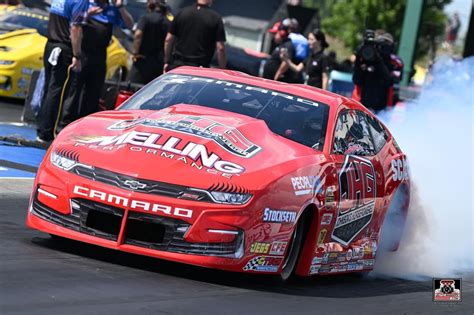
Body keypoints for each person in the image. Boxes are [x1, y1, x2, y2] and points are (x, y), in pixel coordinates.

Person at [58, 0, 133, 130]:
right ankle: (64, 124)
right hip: (83, 54)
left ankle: (85, 125)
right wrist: (87, 15)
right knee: (74, 90)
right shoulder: (85, 4)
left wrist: (120, 7)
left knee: (93, 92)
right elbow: (73, 25)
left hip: (100, 56)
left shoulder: (111, 10)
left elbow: (129, 25)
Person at [36, 0, 89, 143]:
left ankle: (42, 128)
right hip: (64, 48)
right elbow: (75, 28)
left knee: (49, 88)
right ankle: (49, 132)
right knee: (58, 91)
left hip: (51, 45)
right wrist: (77, 54)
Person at [163, 0, 226, 72]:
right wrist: (222, 69)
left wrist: (166, 61)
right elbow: (220, 48)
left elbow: (168, 39)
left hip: (178, 65)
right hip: (199, 68)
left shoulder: (182, 12)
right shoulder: (216, 18)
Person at [352, 30, 402, 112]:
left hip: (383, 108)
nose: (384, 47)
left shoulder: (396, 63)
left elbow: (390, 81)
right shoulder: (366, 58)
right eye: (382, 44)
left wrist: (379, 62)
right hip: (360, 104)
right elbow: (357, 80)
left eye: (387, 44)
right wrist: (359, 58)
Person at [129, 0, 171, 84]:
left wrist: (135, 53)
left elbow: (138, 35)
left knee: (134, 89)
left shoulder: (145, 18)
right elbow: (169, 40)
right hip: (158, 63)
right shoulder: (168, 22)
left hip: (142, 60)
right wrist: (166, 60)